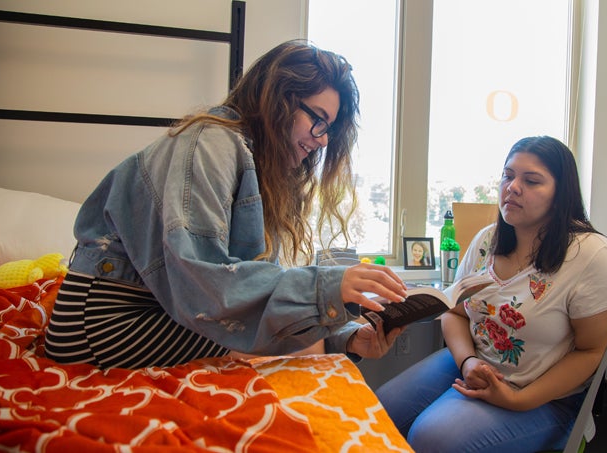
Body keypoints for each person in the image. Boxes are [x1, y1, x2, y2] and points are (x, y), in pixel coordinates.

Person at [44, 40, 409, 369]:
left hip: (164, 312)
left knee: (298, 344)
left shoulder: (254, 165)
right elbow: (208, 283)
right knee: (278, 348)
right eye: (318, 119)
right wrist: (328, 291)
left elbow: (247, 291)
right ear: (278, 98)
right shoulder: (211, 143)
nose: (324, 139)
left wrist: (344, 336)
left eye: (328, 129)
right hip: (102, 324)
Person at [376, 136, 607, 452]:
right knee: (379, 411)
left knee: (431, 438)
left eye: (532, 180)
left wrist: (518, 400)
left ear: (561, 193)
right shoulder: (488, 241)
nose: (512, 187)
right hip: (479, 364)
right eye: (508, 176)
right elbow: (455, 313)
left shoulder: (593, 256)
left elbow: (591, 352)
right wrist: (468, 362)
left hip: (544, 395)